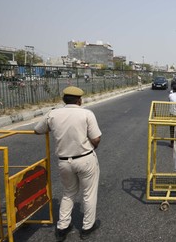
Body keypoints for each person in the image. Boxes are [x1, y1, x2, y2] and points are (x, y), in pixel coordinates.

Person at [34, 86, 102, 241]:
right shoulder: (86, 113)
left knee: (68, 193)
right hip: (85, 158)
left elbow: (37, 130)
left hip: (64, 162)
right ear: (79, 100)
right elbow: (96, 138)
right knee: (88, 194)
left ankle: (62, 226)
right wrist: (92, 147)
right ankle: (87, 227)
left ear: (64, 99)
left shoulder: (53, 114)